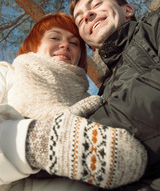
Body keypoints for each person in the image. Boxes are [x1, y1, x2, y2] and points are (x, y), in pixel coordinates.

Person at [0, 12, 147, 191]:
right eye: (54, 37)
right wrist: (40, 143)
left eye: (74, 43)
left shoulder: (92, 101)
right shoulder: (6, 74)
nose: (65, 45)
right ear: (34, 44)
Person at [69, 0, 160, 190]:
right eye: (79, 18)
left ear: (127, 10)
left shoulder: (155, 25)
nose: (88, 15)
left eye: (97, 4)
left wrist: (79, 138)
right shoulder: (102, 95)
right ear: (89, 45)